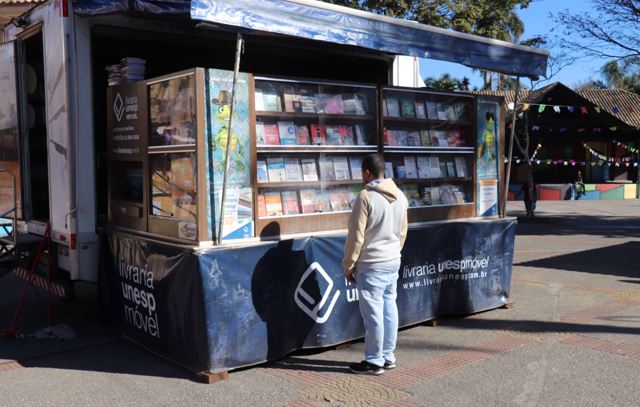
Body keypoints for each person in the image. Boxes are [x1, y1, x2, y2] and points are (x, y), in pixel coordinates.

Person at [342, 153, 408, 375]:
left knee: (373, 314)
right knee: (390, 308)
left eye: (362, 173)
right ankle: (388, 356)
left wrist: (349, 265)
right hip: (392, 261)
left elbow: (356, 236)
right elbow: (402, 232)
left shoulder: (366, 196)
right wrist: (393, 252)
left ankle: (374, 360)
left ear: (367, 172)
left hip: (372, 264)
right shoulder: (400, 195)